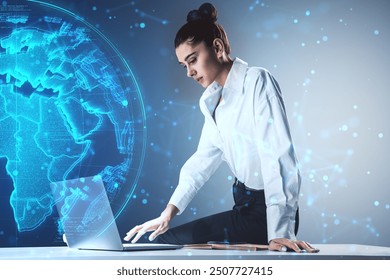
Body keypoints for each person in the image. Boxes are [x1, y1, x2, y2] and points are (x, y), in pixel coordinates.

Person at [124, 2, 319, 253]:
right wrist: (168, 213)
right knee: (168, 239)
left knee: (168, 244)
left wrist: (280, 232)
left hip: (267, 216)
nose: (189, 73)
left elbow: (278, 156)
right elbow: (201, 161)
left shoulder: (257, 81)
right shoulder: (212, 100)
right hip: (243, 208)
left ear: (216, 47)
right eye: (184, 65)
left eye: (192, 60)